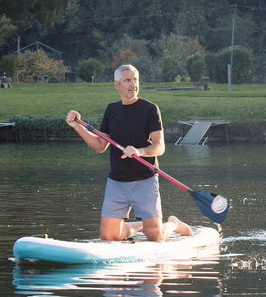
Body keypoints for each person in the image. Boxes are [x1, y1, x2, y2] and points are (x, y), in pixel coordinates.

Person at [66, 64, 192, 242]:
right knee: (108, 236)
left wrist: (139, 151)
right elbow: (100, 145)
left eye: (135, 80)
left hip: (144, 180)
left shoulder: (150, 109)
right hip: (117, 182)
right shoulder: (112, 110)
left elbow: (159, 146)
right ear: (117, 84)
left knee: (156, 237)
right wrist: (77, 126)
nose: (133, 84)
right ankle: (142, 224)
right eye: (127, 80)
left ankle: (173, 224)